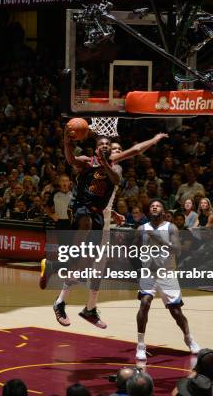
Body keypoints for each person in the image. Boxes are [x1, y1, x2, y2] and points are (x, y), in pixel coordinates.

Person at [44, 131, 167, 328]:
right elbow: (71, 159)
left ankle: (86, 306)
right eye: (107, 146)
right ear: (97, 148)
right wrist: (67, 142)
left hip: (102, 217)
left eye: (115, 148)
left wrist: (154, 139)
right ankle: (60, 275)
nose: (112, 150)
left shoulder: (115, 167)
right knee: (85, 243)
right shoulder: (93, 162)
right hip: (83, 209)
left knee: (93, 265)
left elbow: (135, 151)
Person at [135, 200, 200, 360]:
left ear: (163, 211)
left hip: (167, 273)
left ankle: (188, 338)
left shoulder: (171, 227)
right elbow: (133, 249)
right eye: (151, 206)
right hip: (149, 273)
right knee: (145, 303)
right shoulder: (141, 229)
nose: (154, 207)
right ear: (148, 211)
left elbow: (177, 250)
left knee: (176, 312)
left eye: (157, 206)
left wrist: (158, 239)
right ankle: (141, 345)